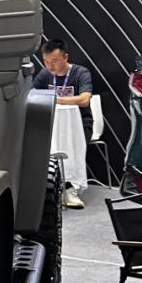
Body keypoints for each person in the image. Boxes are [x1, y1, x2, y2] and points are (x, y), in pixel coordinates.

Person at [32, 38, 93, 209]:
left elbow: (84, 100)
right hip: (51, 124)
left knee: (70, 146)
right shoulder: (45, 75)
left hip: (79, 125)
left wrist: (56, 99)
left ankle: (70, 189)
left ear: (65, 58)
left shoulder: (80, 73)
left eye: (54, 61)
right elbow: (32, 94)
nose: (50, 66)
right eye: (46, 61)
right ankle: (49, 187)